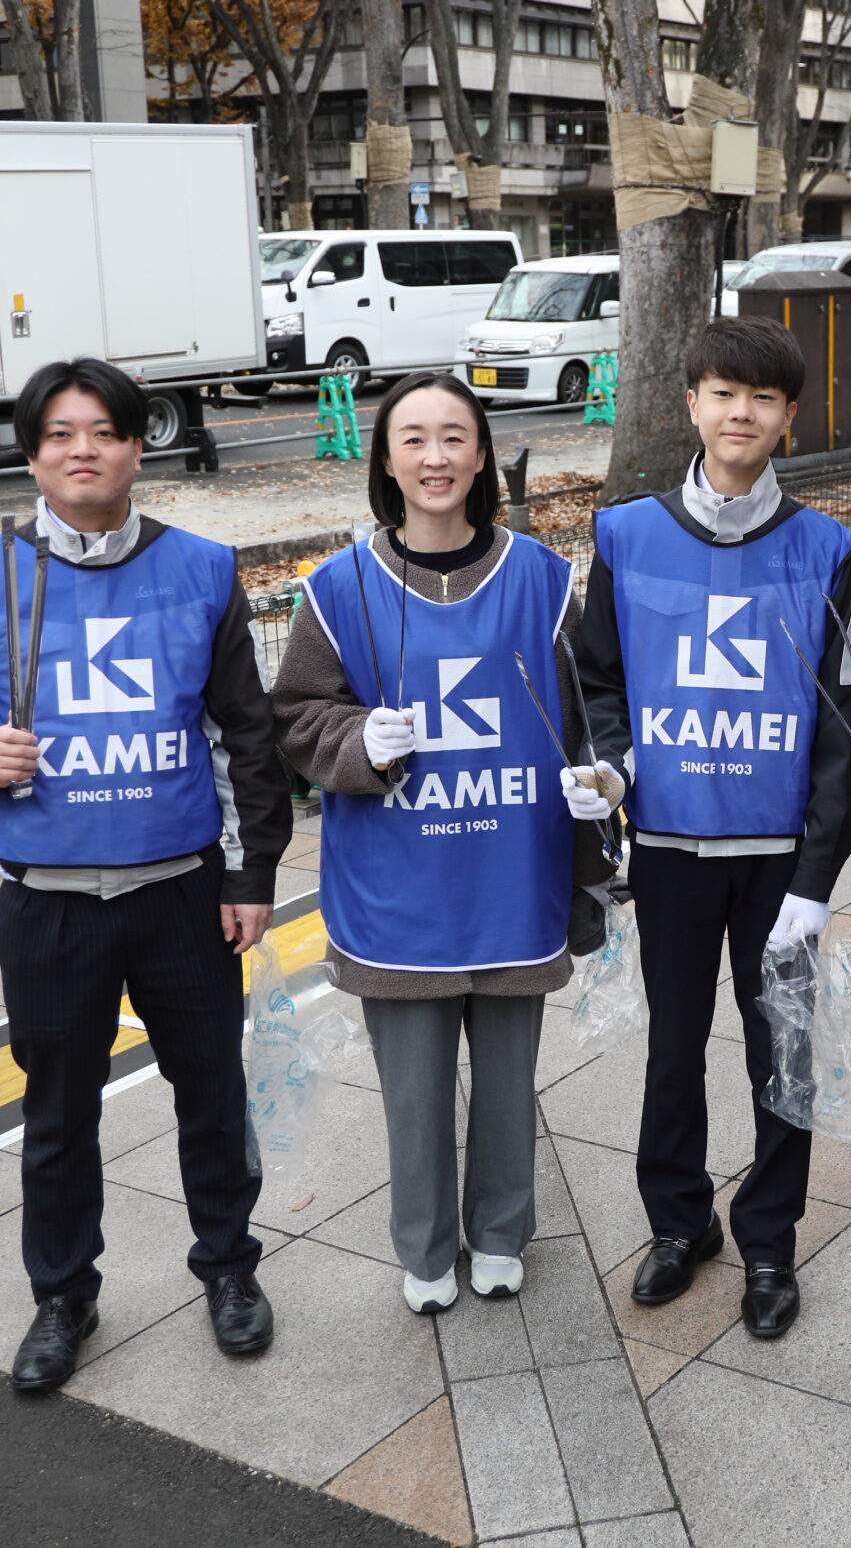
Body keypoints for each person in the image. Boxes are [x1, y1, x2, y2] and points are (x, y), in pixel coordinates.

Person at [0, 356, 293, 1393]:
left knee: (212, 1095)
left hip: (182, 895)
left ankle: (229, 1266)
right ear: (31, 455)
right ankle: (63, 1294)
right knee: (59, 1113)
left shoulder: (202, 568)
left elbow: (245, 733)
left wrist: (251, 876)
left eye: (105, 431)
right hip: (50, 902)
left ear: (137, 447)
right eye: (61, 434)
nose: (84, 451)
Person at [272, 373, 612, 1314]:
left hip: (514, 872)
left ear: (483, 453)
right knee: (414, 1092)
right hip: (397, 887)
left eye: (455, 436)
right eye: (413, 438)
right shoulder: (337, 589)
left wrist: (601, 780)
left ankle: (500, 1231)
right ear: (385, 459)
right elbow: (295, 716)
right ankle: (422, 1247)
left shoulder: (544, 579)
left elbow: (591, 710)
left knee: (508, 1081)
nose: (435, 457)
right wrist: (354, 741)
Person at [576, 316, 851, 1341]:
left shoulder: (828, 548)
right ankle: (678, 1222)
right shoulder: (624, 534)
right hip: (668, 849)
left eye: (764, 397)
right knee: (672, 1047)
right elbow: (598, 678)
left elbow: (845, 724)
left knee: (780, 1051)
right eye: (723, 392)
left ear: (788, 418)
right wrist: (611, 764)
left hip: (777, 859)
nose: (741, 412)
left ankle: (770, 1240)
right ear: (690, 403)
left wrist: (818, 875)